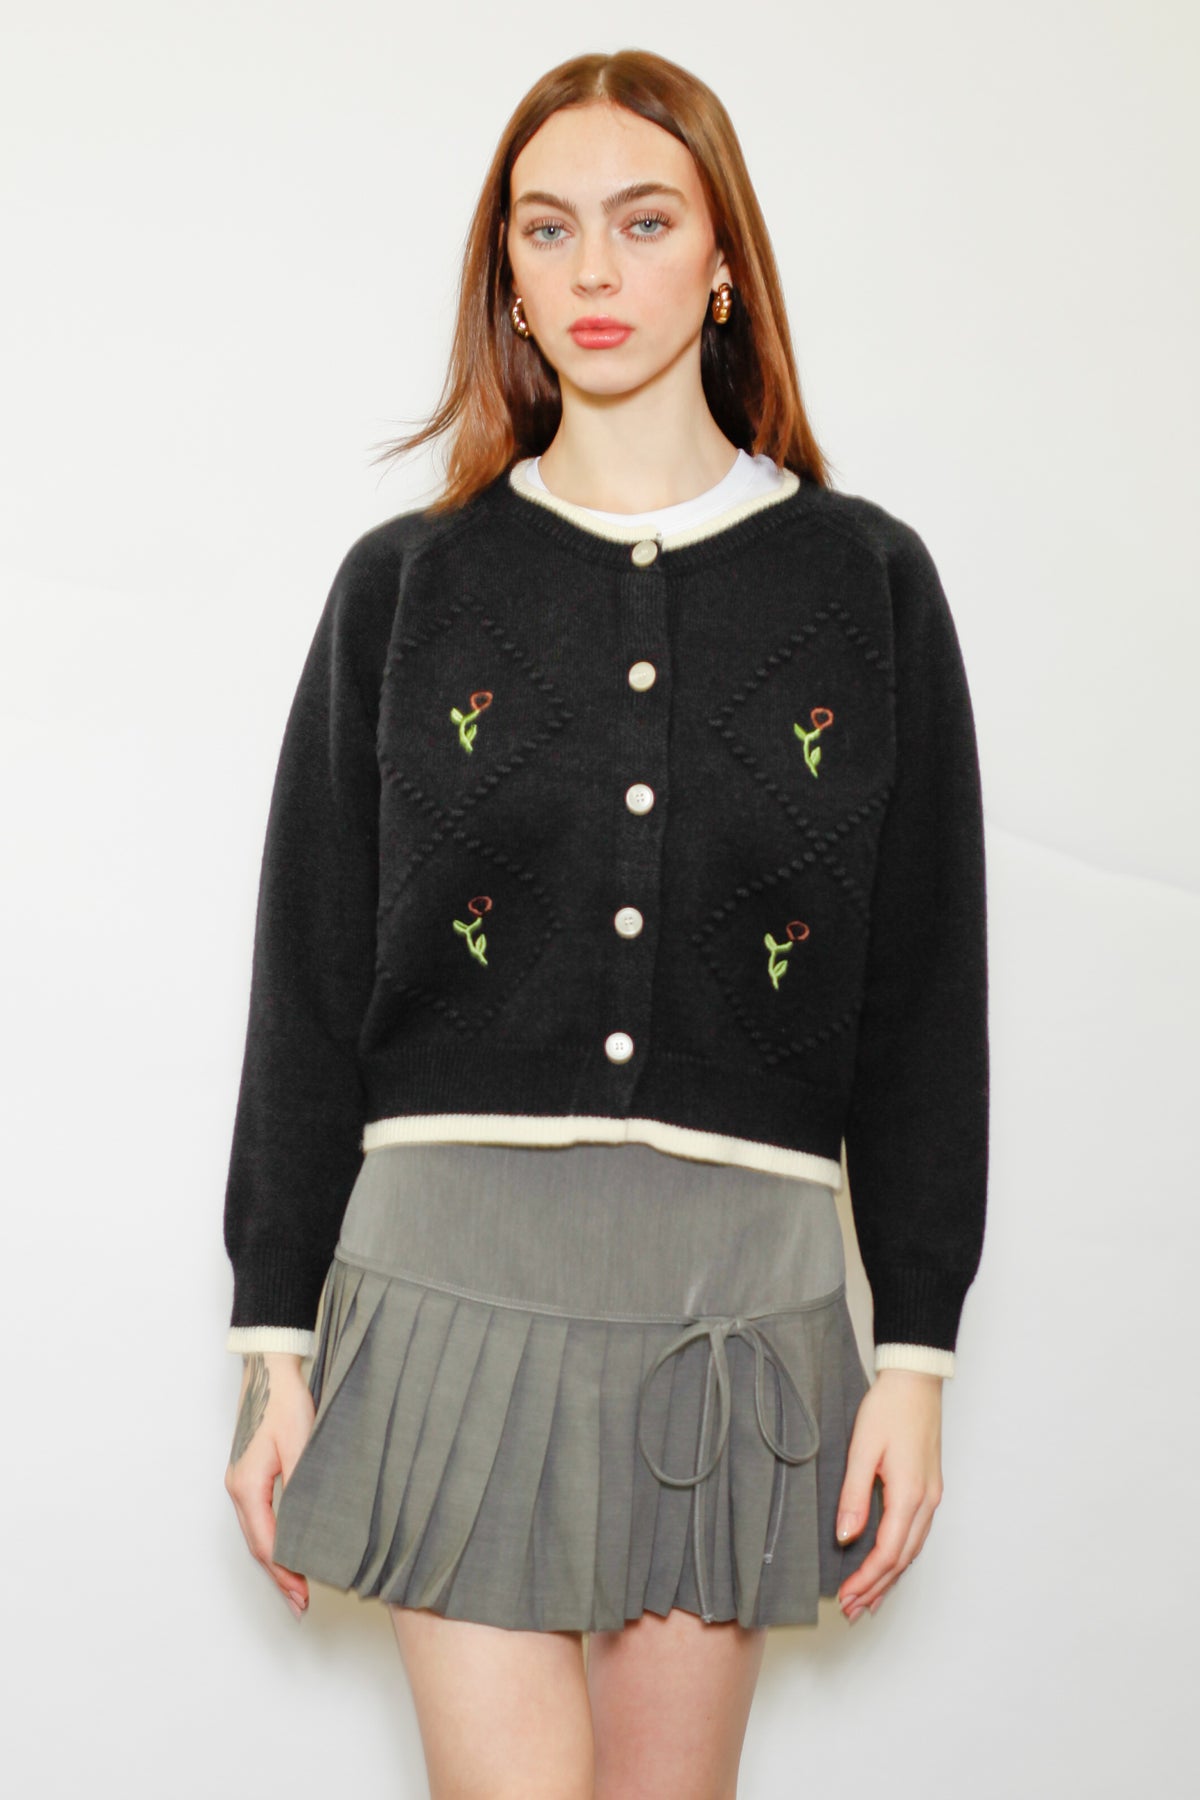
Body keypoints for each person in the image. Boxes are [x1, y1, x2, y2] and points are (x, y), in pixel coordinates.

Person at [222, 47, 988, 1800]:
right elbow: (307, 974)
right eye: (545, 228)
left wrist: (914, 1354)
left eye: (644, 223)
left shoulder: (867, 584)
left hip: (737, 1310)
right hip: (445, 1282)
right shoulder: (408, 587)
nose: (591, 271)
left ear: (722, 262)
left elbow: (926, 995)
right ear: (505, 270)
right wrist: (274, 1343)